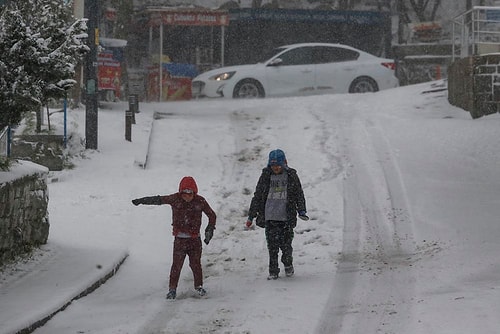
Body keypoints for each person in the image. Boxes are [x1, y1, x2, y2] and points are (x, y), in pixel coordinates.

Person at [132, 176, 216, 299]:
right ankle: (172, 290)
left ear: (194, 192)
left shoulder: (200, 201)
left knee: (195, 264)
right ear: (180, 192)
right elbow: (159, 199)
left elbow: (212, 215)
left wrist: (210, 229)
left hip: (194, 240)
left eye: (190, 193)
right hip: (180, 240)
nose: (187, 196)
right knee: (176, 265)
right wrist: (142, 200)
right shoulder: (175, 199)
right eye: (184, 193)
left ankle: (198, 286)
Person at [245, 149, 308, 280]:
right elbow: (257, 196)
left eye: (278, 165)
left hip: (286, 218)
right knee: (272, 247)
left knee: (286, 246)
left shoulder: (291, 176)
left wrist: (301, 210)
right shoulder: (266, 176)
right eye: (273, 166)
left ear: (284, 163)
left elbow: (298, 194)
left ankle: (288, 264)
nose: (276, 168)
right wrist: (251, 215)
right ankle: (273, 271)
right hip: (270, 218)